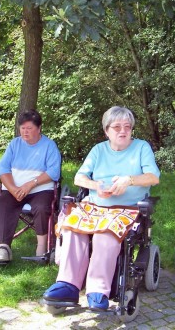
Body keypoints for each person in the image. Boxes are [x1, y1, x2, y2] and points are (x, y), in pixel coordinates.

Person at [43, 106, 160, 310]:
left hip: (126, 208)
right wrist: (96, 186)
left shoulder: (141, 148)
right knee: (72, 228)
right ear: (107, 130)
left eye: (127, 126)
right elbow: (80, 177)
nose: (123, 131)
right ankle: (68, 285)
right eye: (117, 127)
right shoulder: (98, 150)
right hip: (96, 205)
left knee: (104, 236)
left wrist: (129, 180)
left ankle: (97, 290)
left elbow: (153, 177)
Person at [0, 109, 61, 262]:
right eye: (22, 128)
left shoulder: (49, 146)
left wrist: (30, 185)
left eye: (29, 128)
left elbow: (53, 172)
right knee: (3, 204)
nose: (25, 132)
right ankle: (3, 248)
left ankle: (41, 247)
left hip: (40, 189)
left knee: (43, 207)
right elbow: (3, 169)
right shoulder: (14, 144)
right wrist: (12, 188)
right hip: (15, 188)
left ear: (39, 129)